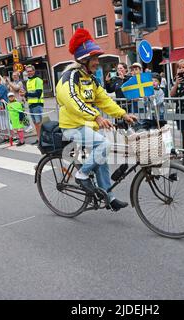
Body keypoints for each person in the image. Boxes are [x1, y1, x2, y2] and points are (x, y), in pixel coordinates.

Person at [57, 28, 137, 211]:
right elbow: (73, 102)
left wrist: (122, 114)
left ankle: (108, 196)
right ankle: (82, 175)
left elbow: (104, 100)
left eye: (96, 59)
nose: (96, 62)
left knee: (102, 159)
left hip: (87, 126)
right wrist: (97, 116)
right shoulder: (69, 77)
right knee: (103, 145)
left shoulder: (91, 79)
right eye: (93, 59)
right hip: (72, 126)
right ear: (83, 60)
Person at [25, 64, 44, 144]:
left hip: (37, 104)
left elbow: (38, 94)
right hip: (31, 105)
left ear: (34, 71)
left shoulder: (38, 80)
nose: (29, 73)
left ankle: (41, 140)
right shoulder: (28, 81)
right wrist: (25, 96)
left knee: (39, 123)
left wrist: (26, 94)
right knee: (35, 123)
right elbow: (29, 94)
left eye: (30, 71)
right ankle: (39, 139)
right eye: (28, 71)